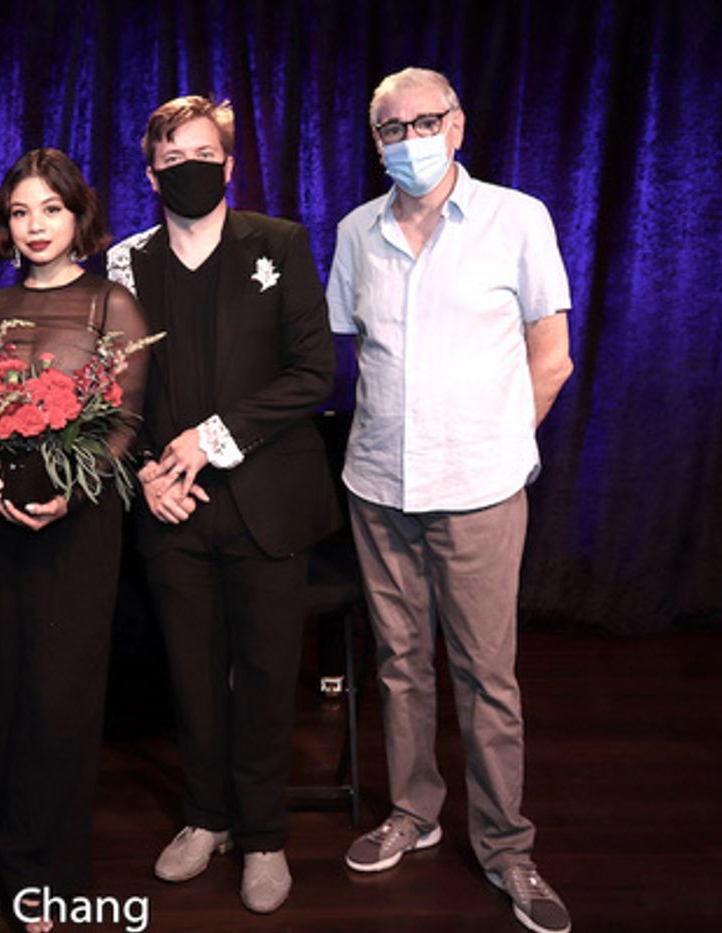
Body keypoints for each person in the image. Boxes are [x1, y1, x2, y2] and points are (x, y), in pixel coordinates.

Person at [325, 67, 574, 933]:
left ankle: (507, 846)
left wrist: (503, 450)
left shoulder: (518, 219)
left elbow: (553, 357)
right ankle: (415, 812)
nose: (410, 141)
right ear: (377, 143)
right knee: (400, 663)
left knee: (485, 676)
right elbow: (353, 357)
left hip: (479, 490)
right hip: (379, 488)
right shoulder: (358, 232)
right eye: (392, 130)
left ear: (458, 125)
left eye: (424, 123)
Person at [106, 95, 340, 915]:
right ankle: (205, 818)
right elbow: (111, 395)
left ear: (230, 163)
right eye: (172, 159)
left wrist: (212, 437)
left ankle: (264, 832)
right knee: (192, 673)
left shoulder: (280, 244)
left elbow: (314, 374)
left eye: (204, 153)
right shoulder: (124, 262)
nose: (190, 169)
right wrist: (143, 471)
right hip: (171, 508)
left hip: (267, 503)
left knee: (270, 672)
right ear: (151, 172)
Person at [0, 148, 149, 933]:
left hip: (80, 525)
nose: (35, 226)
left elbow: (126, 424)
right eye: (20, 212)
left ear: (79, 216)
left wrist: (70, 490)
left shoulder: (114, 305)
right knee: (3, 690)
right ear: (6, 225)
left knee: (61, 694)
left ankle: (56, 865)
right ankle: (14, 861)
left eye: (51, 209)